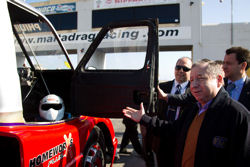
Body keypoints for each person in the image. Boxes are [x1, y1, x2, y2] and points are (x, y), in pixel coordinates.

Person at [123, 61, 250, 167]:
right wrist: (144, 118)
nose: (193, 86)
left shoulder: (237, 115)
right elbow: (172, 130)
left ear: (219, 80)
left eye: (200, 79)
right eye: (192, 80)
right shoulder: (192, 110)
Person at [158, 57, 192, 122]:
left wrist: (165, 97)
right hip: (161, 129)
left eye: (185, 69)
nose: (181, 71)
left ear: (191, 71)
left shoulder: (194, 90)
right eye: (178, 67)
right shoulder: (161, 87)